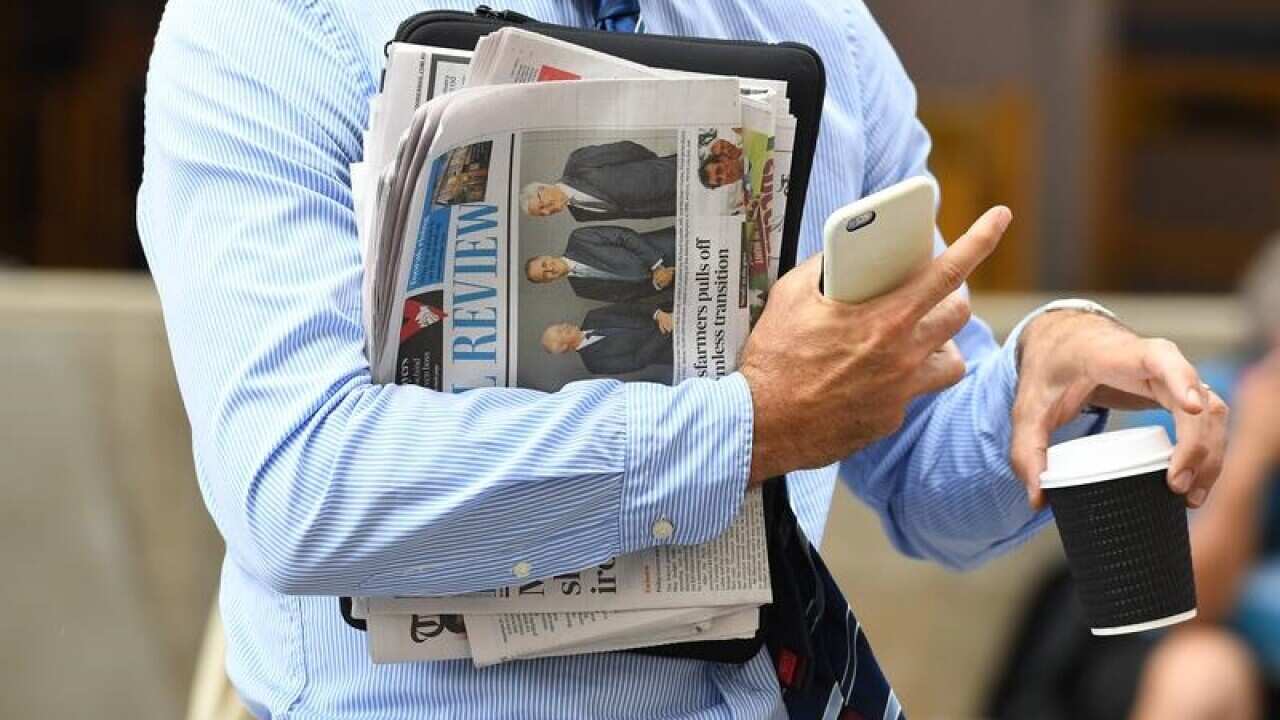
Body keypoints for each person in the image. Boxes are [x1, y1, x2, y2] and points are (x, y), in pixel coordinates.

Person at [137, 1, 1228, 718]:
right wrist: (753, 422)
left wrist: (1043, 380)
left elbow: (925, 482)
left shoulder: (818, 25)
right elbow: (300, 489)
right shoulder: (266, 23)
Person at [520, 140, 677, 220]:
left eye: (541, 206)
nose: (547, 211)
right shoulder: (579, 215)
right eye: (542, 214)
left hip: (670, 173)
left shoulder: (577, 163)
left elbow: (628, 149)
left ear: (542, 188)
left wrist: (654, 167)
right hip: (672, 206)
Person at [525, 224, 676, 304]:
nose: (550, 269)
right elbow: (627, 297)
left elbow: (624, 235)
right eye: (545, 275)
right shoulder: (581, 290)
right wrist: (657, 284)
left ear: (546, 256)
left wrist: (657, 266)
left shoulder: (579, 239)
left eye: (544, 264)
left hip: (666, 248)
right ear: (549, 282)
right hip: (669, 283)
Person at [542, 304, 674, 375]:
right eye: (561, 331)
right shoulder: (593, 364)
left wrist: (659, 315)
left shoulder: (593, 316)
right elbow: (637, 360)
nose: (565, 325)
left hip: (668, 314)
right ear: (564, 347)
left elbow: (631, 308)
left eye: (560, 325)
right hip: (672, 350)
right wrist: (666, 330)